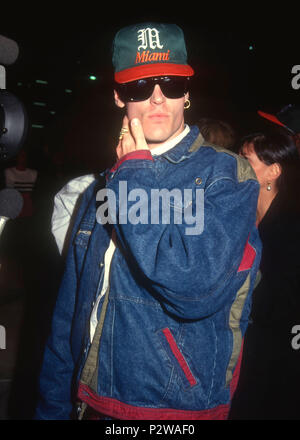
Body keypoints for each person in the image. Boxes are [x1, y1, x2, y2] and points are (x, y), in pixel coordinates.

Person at [35, 22, 261, 420]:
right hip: (88, 402)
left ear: (186, 93)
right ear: (119, 96)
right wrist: (52, 406)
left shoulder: (226, 176)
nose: (158, 98)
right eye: (141, 86)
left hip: (173, 413)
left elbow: (192, 289)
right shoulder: (100, 189)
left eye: (171, 83)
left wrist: (134, 172)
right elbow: (70, 313)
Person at [229, 130, 300, 419]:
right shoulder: (238, 214)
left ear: (273, 171)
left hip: (274, 351)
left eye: (246, 160)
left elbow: (284, 299)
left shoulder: (291, 227)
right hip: (240, 340)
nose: (236, 165)